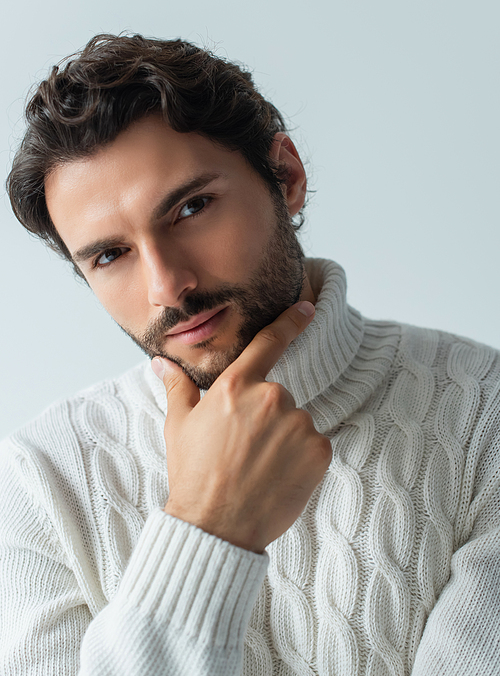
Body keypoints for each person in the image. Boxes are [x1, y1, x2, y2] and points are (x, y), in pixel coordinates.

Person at [2, 33, 500, 676]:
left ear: (286, 178)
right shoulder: (42, 480)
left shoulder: (485, 415)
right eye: (109, 254)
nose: (167, 286)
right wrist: (209, 525)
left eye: (191, 208)